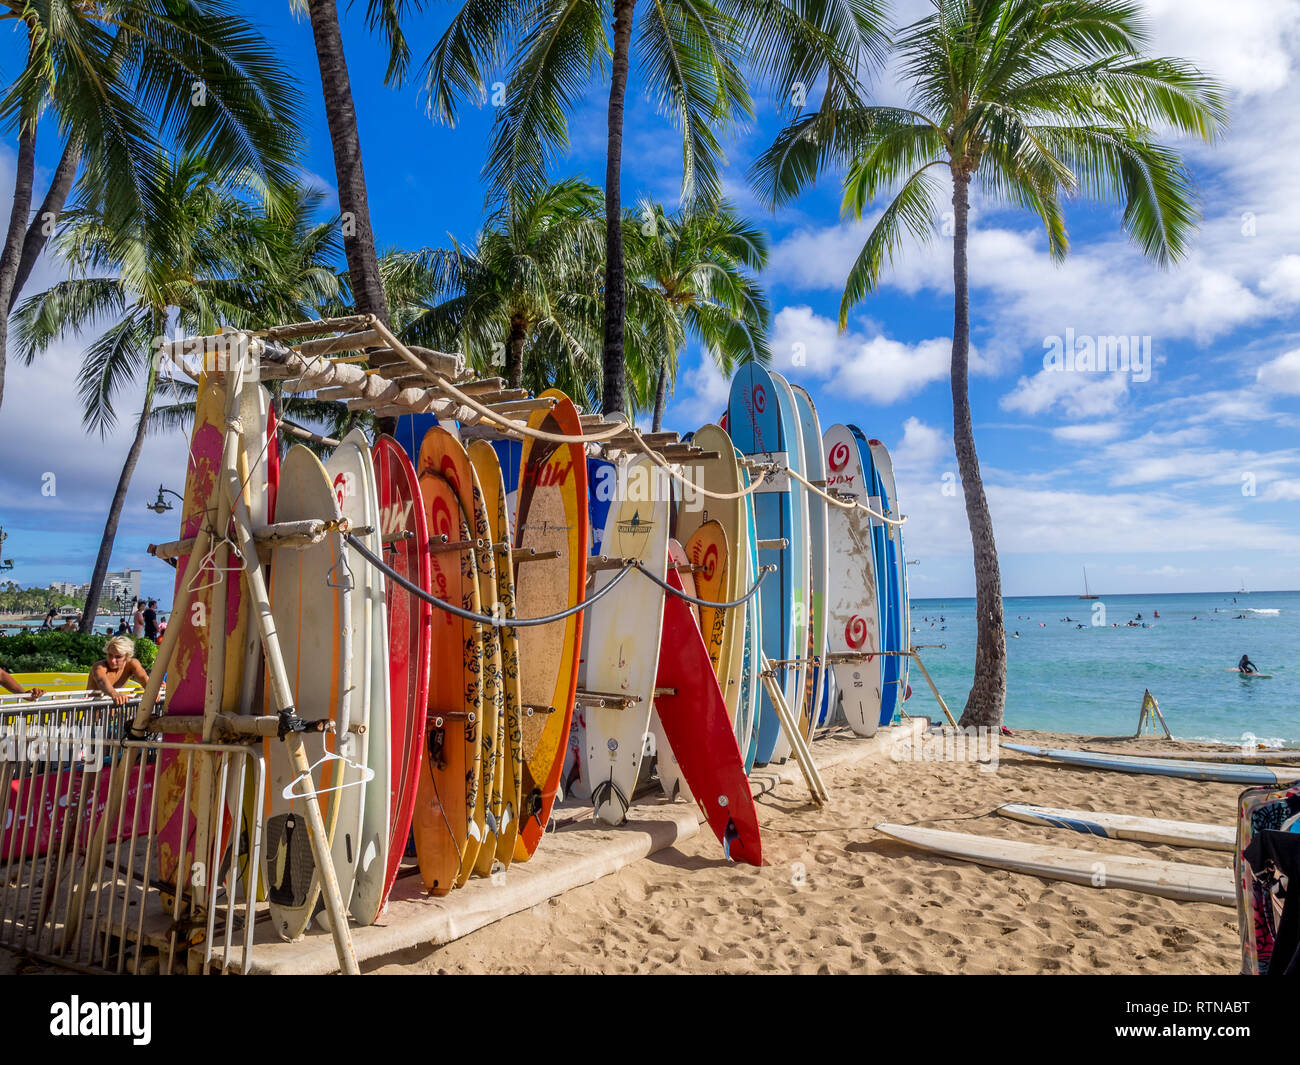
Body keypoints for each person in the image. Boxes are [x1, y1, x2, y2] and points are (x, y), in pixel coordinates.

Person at [89, 636, 150, 706]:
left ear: (127, 656)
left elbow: (143, 678)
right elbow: (101, 681)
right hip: (92, 713)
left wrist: (152, 689)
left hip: (114, 712)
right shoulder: (99, 667)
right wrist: (114, 694)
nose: (112, 660)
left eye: (118, 657)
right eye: (110, 655)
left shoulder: (131, 664)